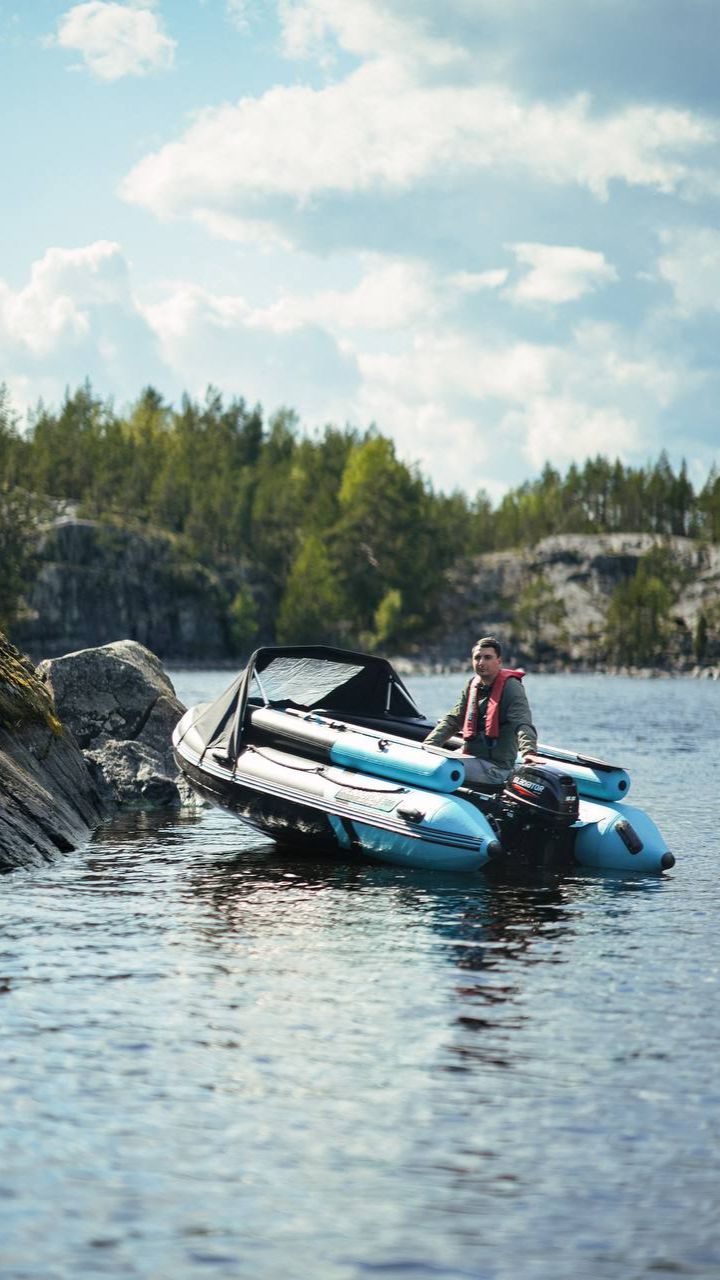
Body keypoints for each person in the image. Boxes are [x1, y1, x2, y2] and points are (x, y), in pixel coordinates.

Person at [423, 636, 537, 786]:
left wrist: (529, 751)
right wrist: (429, 744)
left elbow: (522, 722)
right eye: (477, 657)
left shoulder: (511, 687)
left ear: (499, 661)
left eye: (487, 657)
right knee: (428, 763)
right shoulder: (472, 685)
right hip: (470, 757)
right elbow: (454, 719)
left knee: (439, 769)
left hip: (495, 767)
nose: (481, 662)